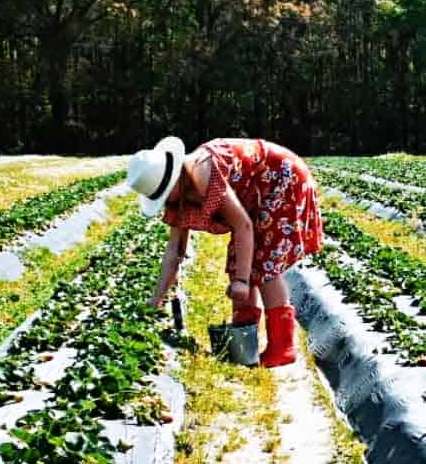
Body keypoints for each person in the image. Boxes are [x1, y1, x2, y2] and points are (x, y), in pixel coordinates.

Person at [128, 136, 323, 368]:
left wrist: (242, 280)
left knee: (263, 261)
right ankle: (244, 337)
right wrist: (156, 300)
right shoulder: (178, 195)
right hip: (255, 193)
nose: (165, 200)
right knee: (238, 259)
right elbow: (174, 252)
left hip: (280, 178)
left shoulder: (203, 173)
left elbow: (243, 226)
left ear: (175, 179)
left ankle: (283, 347)